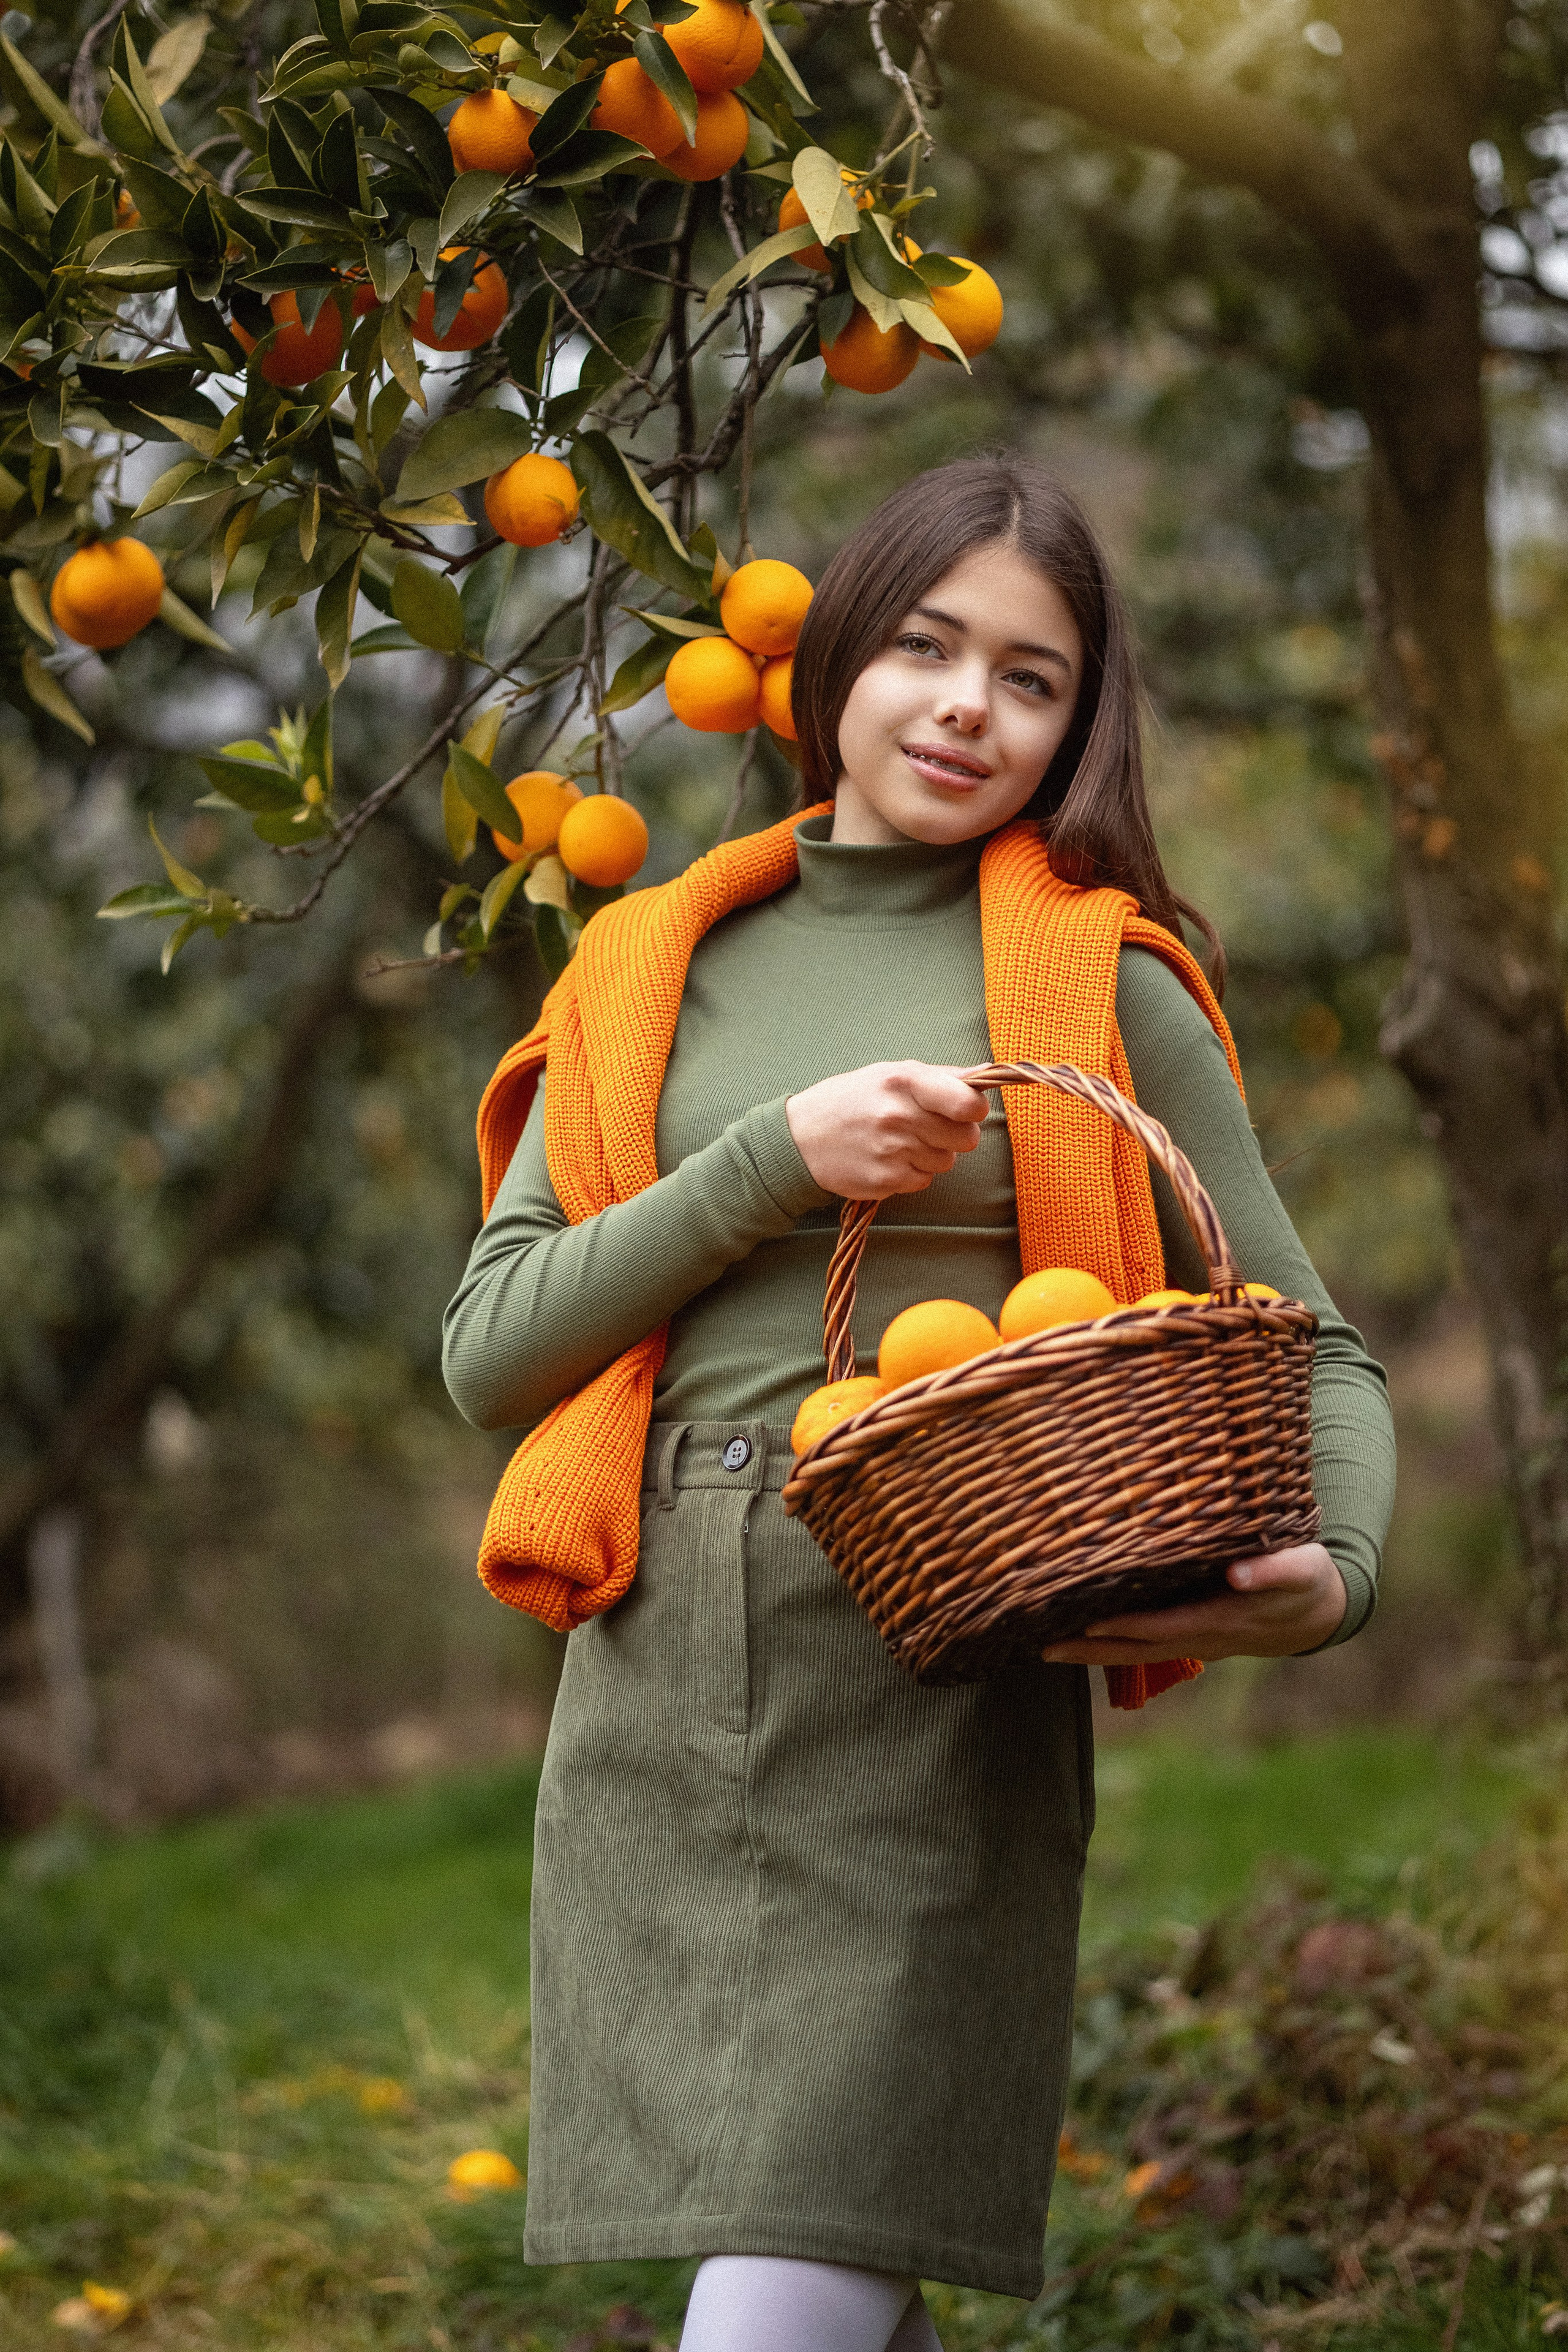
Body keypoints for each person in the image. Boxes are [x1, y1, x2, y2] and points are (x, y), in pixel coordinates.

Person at [442, 458, 1396, 2352]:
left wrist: (1337, 1571)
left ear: (1074, 725)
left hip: (938, 1649)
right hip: (657, 1670)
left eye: (1032, 679)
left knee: (796, 2259)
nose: (969, 707)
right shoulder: (649, 959)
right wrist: (771, 1161)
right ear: (837, 667)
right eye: (929, 650)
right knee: (820, 2257)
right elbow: (492, 1352)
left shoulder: (1106, 987)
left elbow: (1319, 1342)